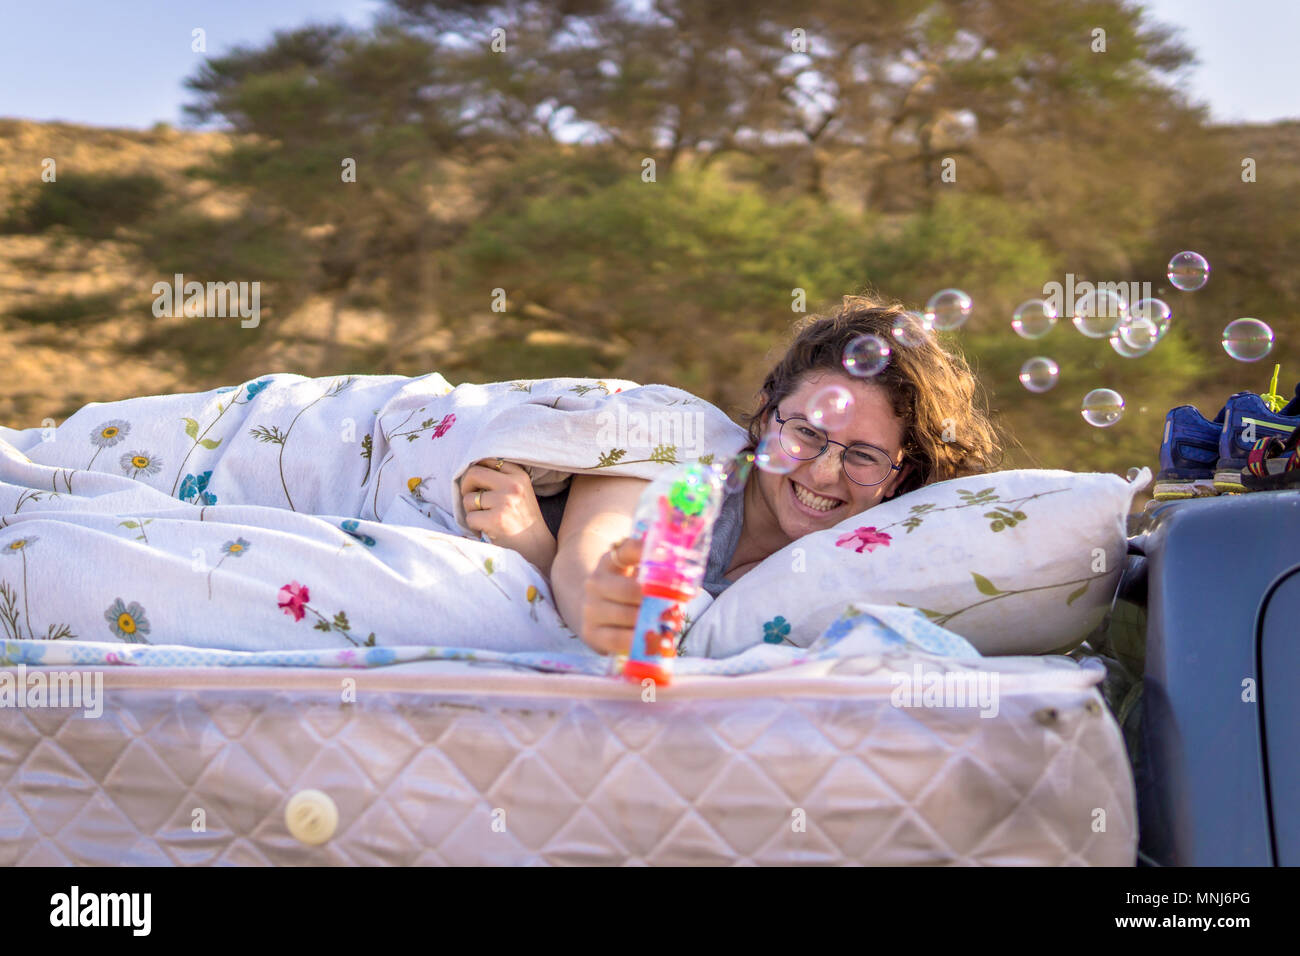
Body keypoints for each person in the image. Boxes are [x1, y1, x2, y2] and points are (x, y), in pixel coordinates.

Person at [459, 296, 1004, 654]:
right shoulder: (683, 450)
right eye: (807, 434)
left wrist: (537, 550)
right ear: (766, 416)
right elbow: (596, 549)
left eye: (863, 455)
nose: (823, 471)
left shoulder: (858, 565)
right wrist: (573, 578)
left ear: (897, 474)